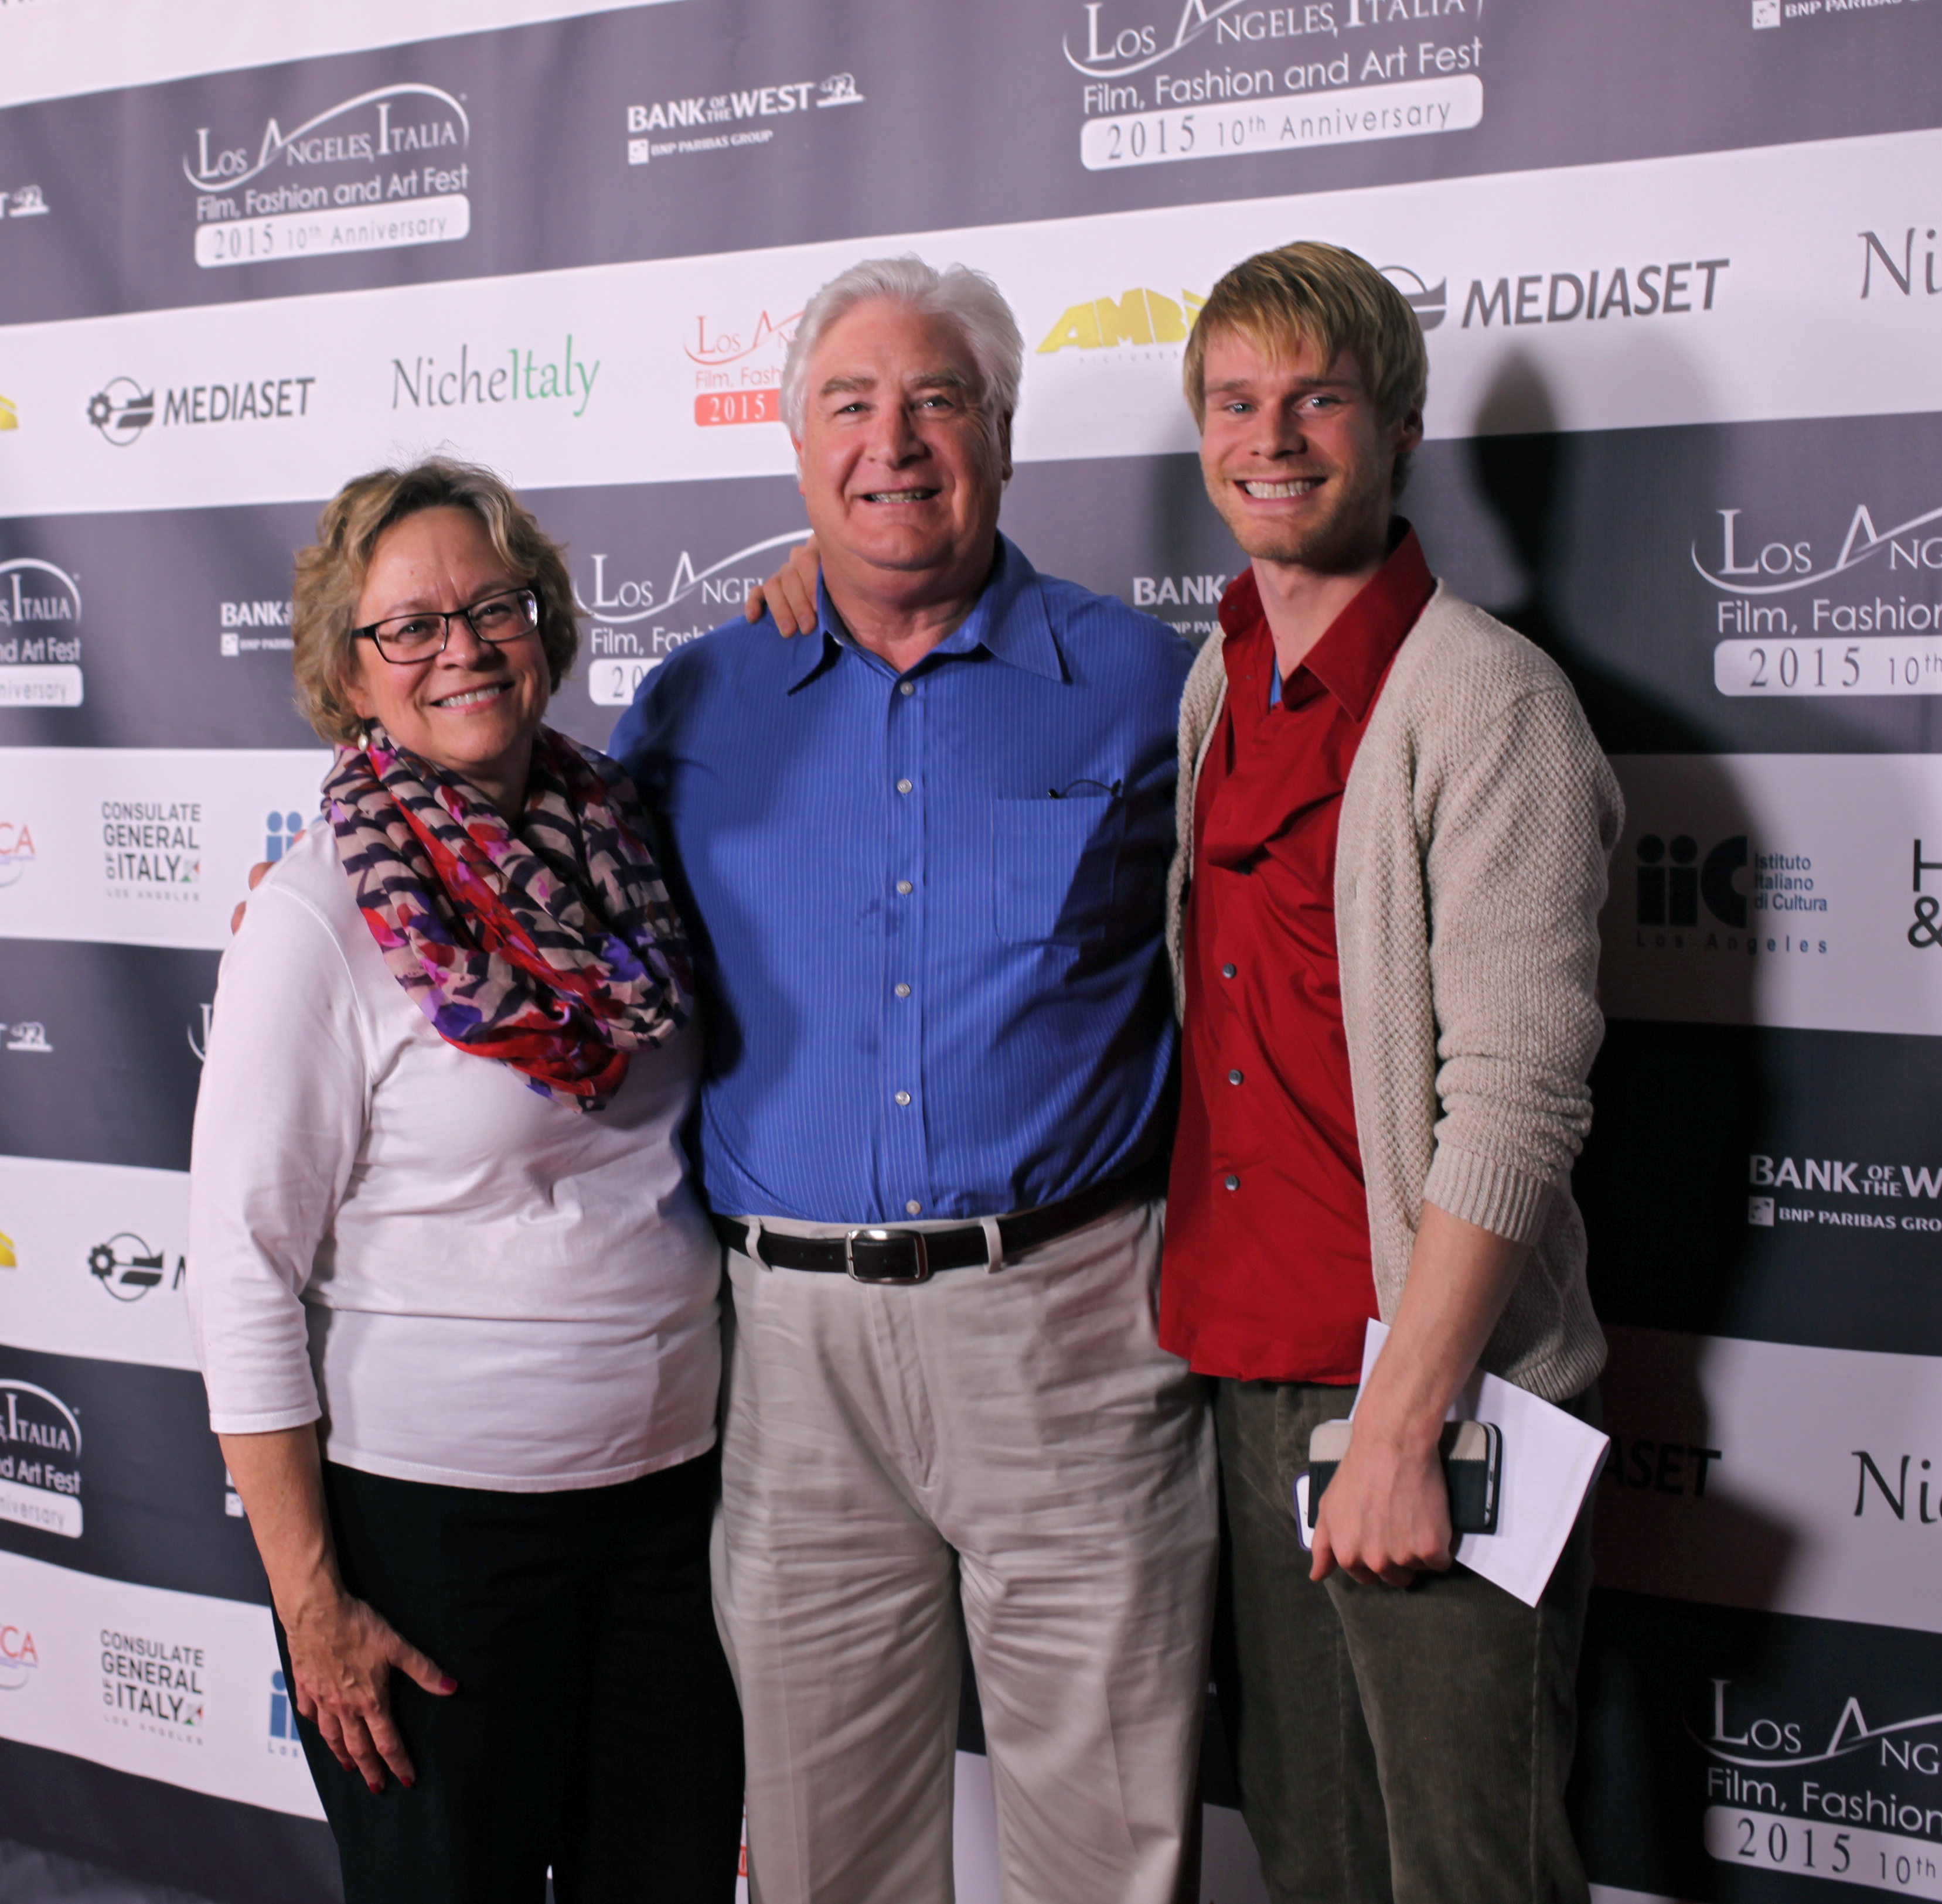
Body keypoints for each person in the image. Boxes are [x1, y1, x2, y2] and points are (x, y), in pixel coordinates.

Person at [608, 258, 1217, 1904]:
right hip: (789, 1355)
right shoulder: (697, 702)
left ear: (1004, 440)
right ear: (797, 450)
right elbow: (540, 907)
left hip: (1074, 1328)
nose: (894, 441)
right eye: (850, 406)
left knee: (1105, 1840)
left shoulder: (1152, 684)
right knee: (823, 1852)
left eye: (937, 400)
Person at [187, 459, 744, 1904]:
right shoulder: (318, 913)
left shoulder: (632, 847)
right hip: (437, 1541)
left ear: (546, 624)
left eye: (494, 606)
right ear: (345, 671)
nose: (462, 648)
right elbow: (242, 1263)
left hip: (674, 1515)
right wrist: (311, 1604)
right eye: (410, 627)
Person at [1162, 241, 1622, 1903]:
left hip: (1431, 1397)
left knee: (1466, 1875)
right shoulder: (1220, 679)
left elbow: (1513, 1099)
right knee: (1319, 1862)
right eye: (1234, 400)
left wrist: (1401, 1422)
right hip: (1252, 1380)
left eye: (1317, 400)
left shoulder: (1487, 706)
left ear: (1398, 426)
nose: (1270, 437)